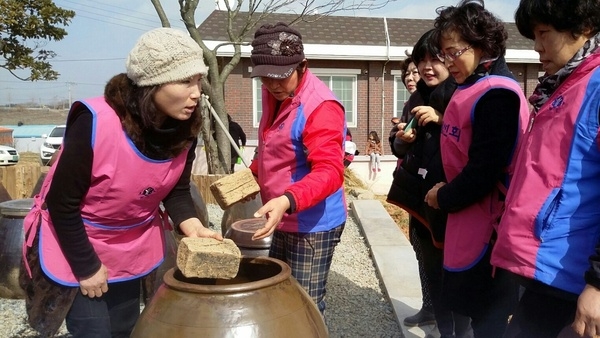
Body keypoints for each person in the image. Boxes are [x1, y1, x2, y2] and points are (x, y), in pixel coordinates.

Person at [19, 27, 223, 338]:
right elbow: (62, 204)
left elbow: (177, 190)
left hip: (132, 244)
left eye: (198, 80)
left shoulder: (186, 127)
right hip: (78, 242)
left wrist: (191, 224)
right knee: (95, 331)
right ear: (151, 84)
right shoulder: (96, 122)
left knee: (126, 328)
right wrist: (87, 267)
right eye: (185, 81)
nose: (197, 92)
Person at [489, 1, 600, 337]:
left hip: (573, 277)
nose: (536, 46)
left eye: (543, 33)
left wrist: (598, 283)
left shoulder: (594, 86)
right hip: (546, 267)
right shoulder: (562, 84)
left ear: (582, 28)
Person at [423, 0, 530, 337]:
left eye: (454, 51)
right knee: (470, 313)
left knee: (488, 319)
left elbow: (484, 171)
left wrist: (445, 196)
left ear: (483, 44)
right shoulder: (471, 86)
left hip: (490, 226)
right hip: (469, 217)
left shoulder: (499, 95)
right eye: (444, 53)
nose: (448, 61)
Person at [247, 22, 347, 316]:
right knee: (279, 294)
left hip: (312, 224)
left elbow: (330, 172)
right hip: (281, 214)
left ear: (302, 65)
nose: (273, 84)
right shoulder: (274, 94)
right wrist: (252, 176)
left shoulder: (321, 106)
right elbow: (272, 146)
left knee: (304, 306)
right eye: (265, 77)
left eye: (281, 76)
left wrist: (287, 200)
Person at [387, 29, 468, 337]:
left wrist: (442, 119)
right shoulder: (417, 97)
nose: (426, 67)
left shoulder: (465, 94)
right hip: (421, 201)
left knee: (457, 282)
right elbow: (400, 145)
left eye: (435, 58)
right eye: (421, 60)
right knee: (432, 271)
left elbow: (476, 148)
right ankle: (441, 326)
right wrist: (403, 142)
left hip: (455, 204)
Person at [391, 56, 421, 126]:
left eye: (415, 72)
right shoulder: (408, 105)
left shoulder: (434, 101)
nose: (409, 78)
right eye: (407, 74)